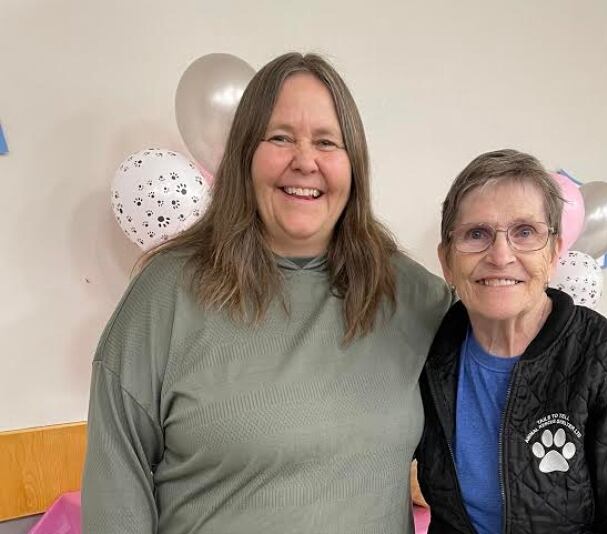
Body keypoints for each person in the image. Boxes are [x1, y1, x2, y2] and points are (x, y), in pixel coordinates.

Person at [82, 52, 451, 533]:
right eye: (280, 138)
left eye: (326, 142)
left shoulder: (409, 295)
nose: (305, 161)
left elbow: (509, 365)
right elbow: (116, 488)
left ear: (353, 165)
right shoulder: (165, 293)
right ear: (244, 156)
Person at [416, 149, 607, 533]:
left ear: (556, 252)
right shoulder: (429, 352)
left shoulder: (605, 355)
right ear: (446, 260)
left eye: (525, 232)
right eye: (477, 234)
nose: (501, 255)